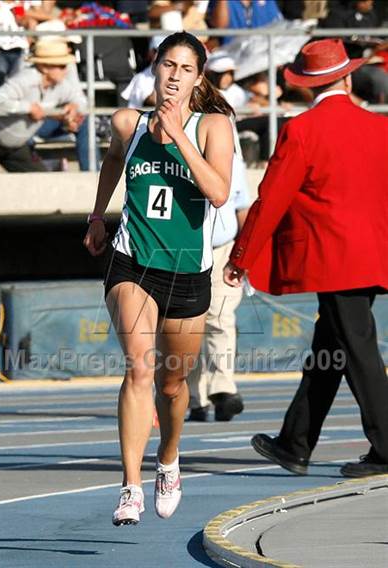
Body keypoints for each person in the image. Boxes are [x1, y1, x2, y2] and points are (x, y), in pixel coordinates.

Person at [84, 31, 234, 525]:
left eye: (185, 69)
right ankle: (130, 487)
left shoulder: (214, 127)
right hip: (133, 262)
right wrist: (98, 215)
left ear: (198, 78)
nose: (174, 76)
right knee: (139, 369)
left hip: (187, 270)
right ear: (155, 67)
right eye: (167, 65)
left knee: (172, 384)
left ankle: (168, 459)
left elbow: (216, 192)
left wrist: (181, 136)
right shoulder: (128, 122)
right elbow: (111, 160)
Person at [224, 38, 388, 478]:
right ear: (348, 77)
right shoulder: (380, 128)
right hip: (373, 254)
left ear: (306, 85)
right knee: (331, 349)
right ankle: (295, 443)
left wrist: (241, 256)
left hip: (333, 258)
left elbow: (270, 199)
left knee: (357, 351)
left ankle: (387, 446)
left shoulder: (302, 130)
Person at [186, 132, 251, 422]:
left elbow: (242, 207)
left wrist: (245, 253)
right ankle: (194, 397)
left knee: (220, 318)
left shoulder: (235, 162)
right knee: (186, 324)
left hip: (223, 248)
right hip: (184, 249)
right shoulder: (180, 155)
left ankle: (223, 390)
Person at [0, 40, 88, 173]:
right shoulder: (25, 79)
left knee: (43, 182)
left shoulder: (61, 86)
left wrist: (75, 106)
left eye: (65, 65)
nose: (65, 71)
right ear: (44, 67)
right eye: (61, 66)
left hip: (17, 146)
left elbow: (82, 101)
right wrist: (28, 108)